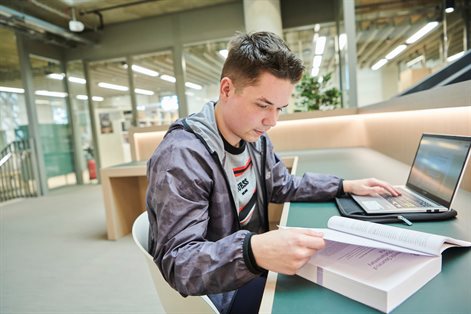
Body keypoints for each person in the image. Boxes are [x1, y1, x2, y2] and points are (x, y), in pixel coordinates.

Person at [146, 31, 400, 314]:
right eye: (263, 105)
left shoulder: (255, 138)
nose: (272, 120)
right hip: (223, 291)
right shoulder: (182, 156)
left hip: (252, 268)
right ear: (227, 89)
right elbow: (179, 264)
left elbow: (283, 185)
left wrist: (345, 186)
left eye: (280, 108)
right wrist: (253, 251)